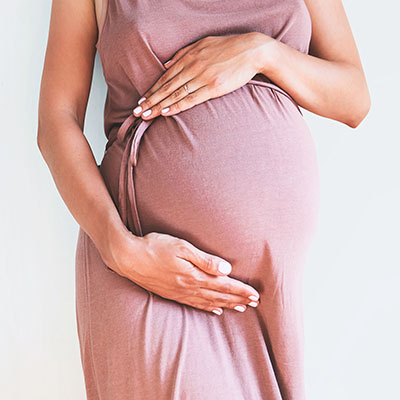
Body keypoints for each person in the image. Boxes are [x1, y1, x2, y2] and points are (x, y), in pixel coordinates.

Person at [37, 0, 370, 398]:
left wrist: (261, 52)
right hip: (147, 264)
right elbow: (56, 120)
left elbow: (354, 99)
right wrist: (119, 248)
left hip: (268, 290)